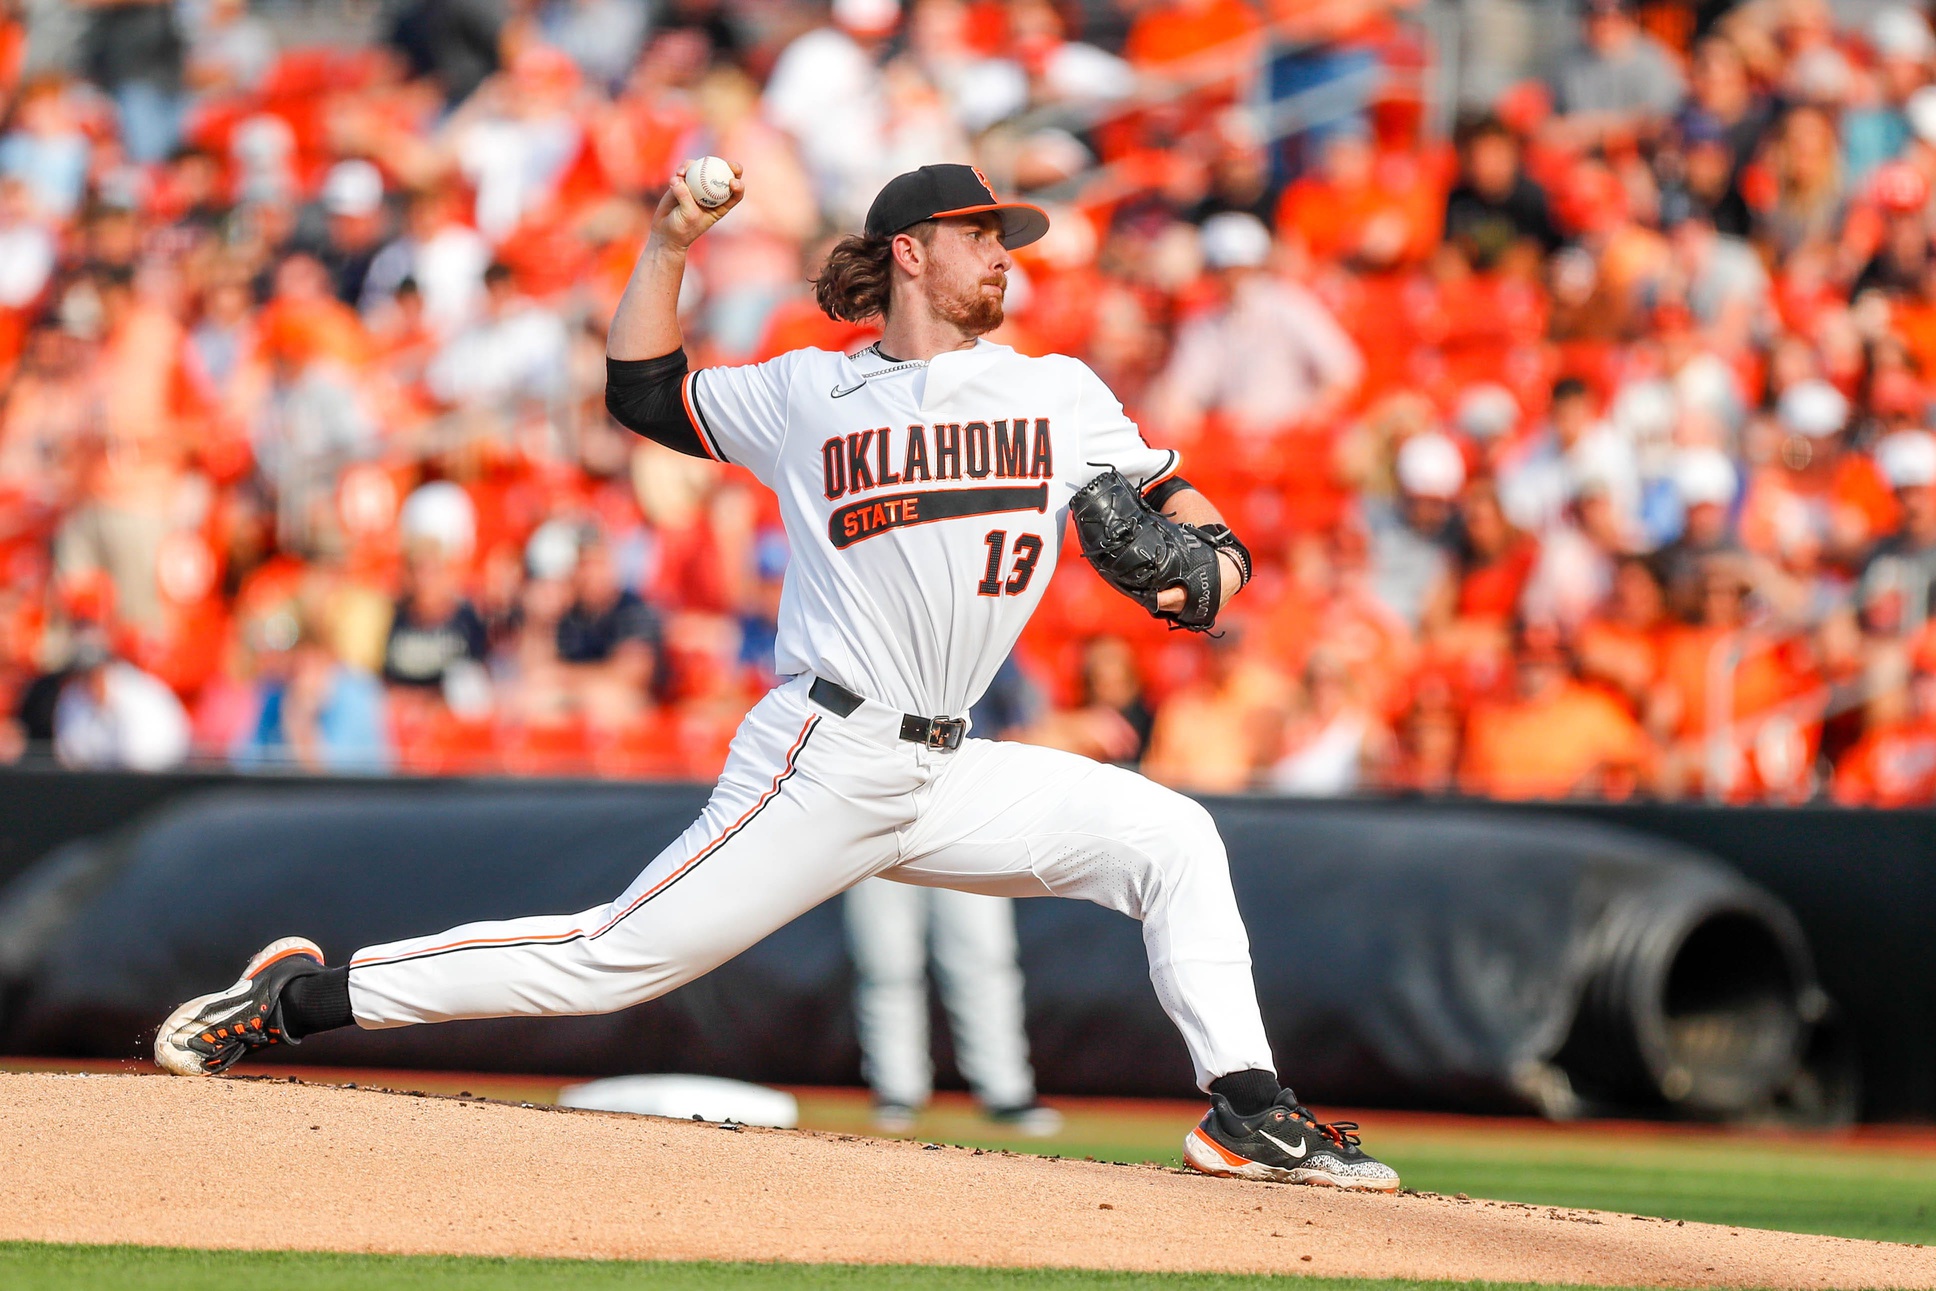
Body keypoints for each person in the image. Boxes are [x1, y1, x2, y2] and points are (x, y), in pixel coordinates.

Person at [153, 161, 1399, 1191]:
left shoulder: (1056, 390)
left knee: (1172, 839)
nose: (1004, 256)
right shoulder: (813, 390)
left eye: (1006, 240)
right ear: (911, 252)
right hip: (825, 752)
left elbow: (1178, 500)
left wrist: (1218, 568)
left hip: (948, 762)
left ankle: (1249, 1113)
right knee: (610, 959)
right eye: (981, 236)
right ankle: (296, 1001)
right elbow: (643, 394)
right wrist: (666, 242)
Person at [844, 877, 1061, 1135]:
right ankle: (896, 1091)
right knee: (885, 967)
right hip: (878, 845)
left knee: (983, 964)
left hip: (962, 840)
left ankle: (1006, 1092)